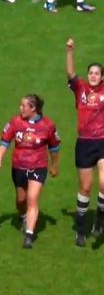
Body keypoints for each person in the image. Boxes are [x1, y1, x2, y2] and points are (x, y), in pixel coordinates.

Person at [0, 95, 60, 249]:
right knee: (21, 200)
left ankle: (29, 235)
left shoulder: (48, 125)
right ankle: (23, 216)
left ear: (33, 108)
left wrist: (55, 165)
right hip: (19, 167)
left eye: (24, 106)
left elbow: (54, 148)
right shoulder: (15, 122)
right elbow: (5, 141)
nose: (20, 108)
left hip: (38, 167)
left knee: (32, 198)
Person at [65, 38, 104, 247]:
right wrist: (70, 51)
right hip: (85, 144)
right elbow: (71, 74)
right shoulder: (81, 89)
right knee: (86, 187)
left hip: (103, 141)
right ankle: (81, 229)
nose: (93, 76)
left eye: (97, 73)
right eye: (91, 73)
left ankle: (99, 219)